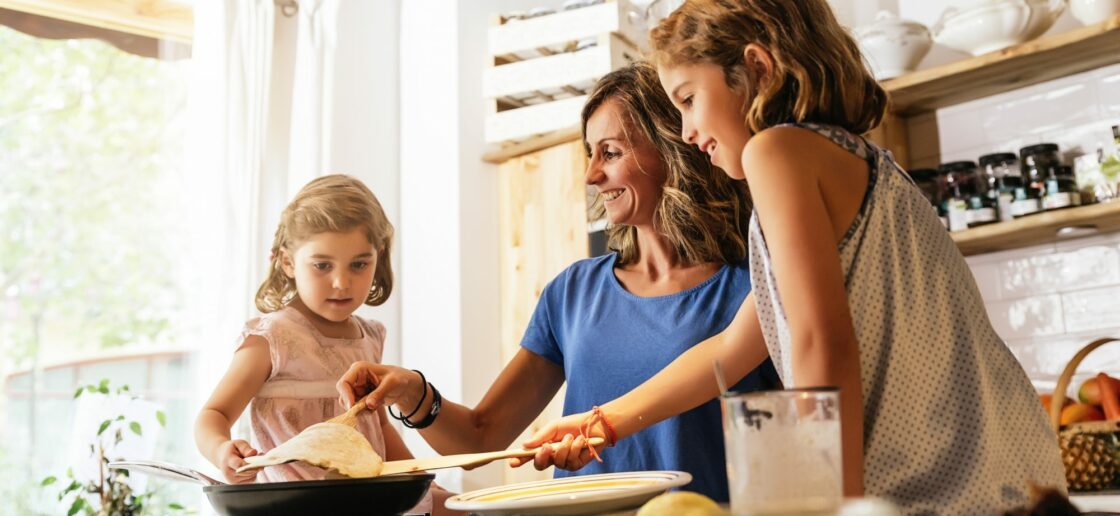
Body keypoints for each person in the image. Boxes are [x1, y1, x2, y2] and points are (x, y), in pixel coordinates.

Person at [519, 1, 1067, 513]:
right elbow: (732, 348)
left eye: (688, 99)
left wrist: (833, 504)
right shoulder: (855, 159)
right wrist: (599, 424)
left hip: (949, 490)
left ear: (755, 69)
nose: (687, 133)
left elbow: (819, 342)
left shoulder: (776, 152)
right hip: (1014, 477)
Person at [335, 62, 780, 503]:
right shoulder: (573, 293)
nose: (590, 175)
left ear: (671, 146)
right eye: (590, 154)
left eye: (610, 152)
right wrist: (414, 392)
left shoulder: (752, 284)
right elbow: (479, 436)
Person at [193, 174, 454, 514]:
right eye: (322, 265)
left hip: (366, 504)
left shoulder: (369, 338)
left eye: (359, 264)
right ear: (287, 262)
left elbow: (378, 427)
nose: (341, 282)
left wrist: (422, 484)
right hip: (293, 506)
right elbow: (213, 414)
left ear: (380, 255)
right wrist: (221, 450)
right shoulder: (270, 339)